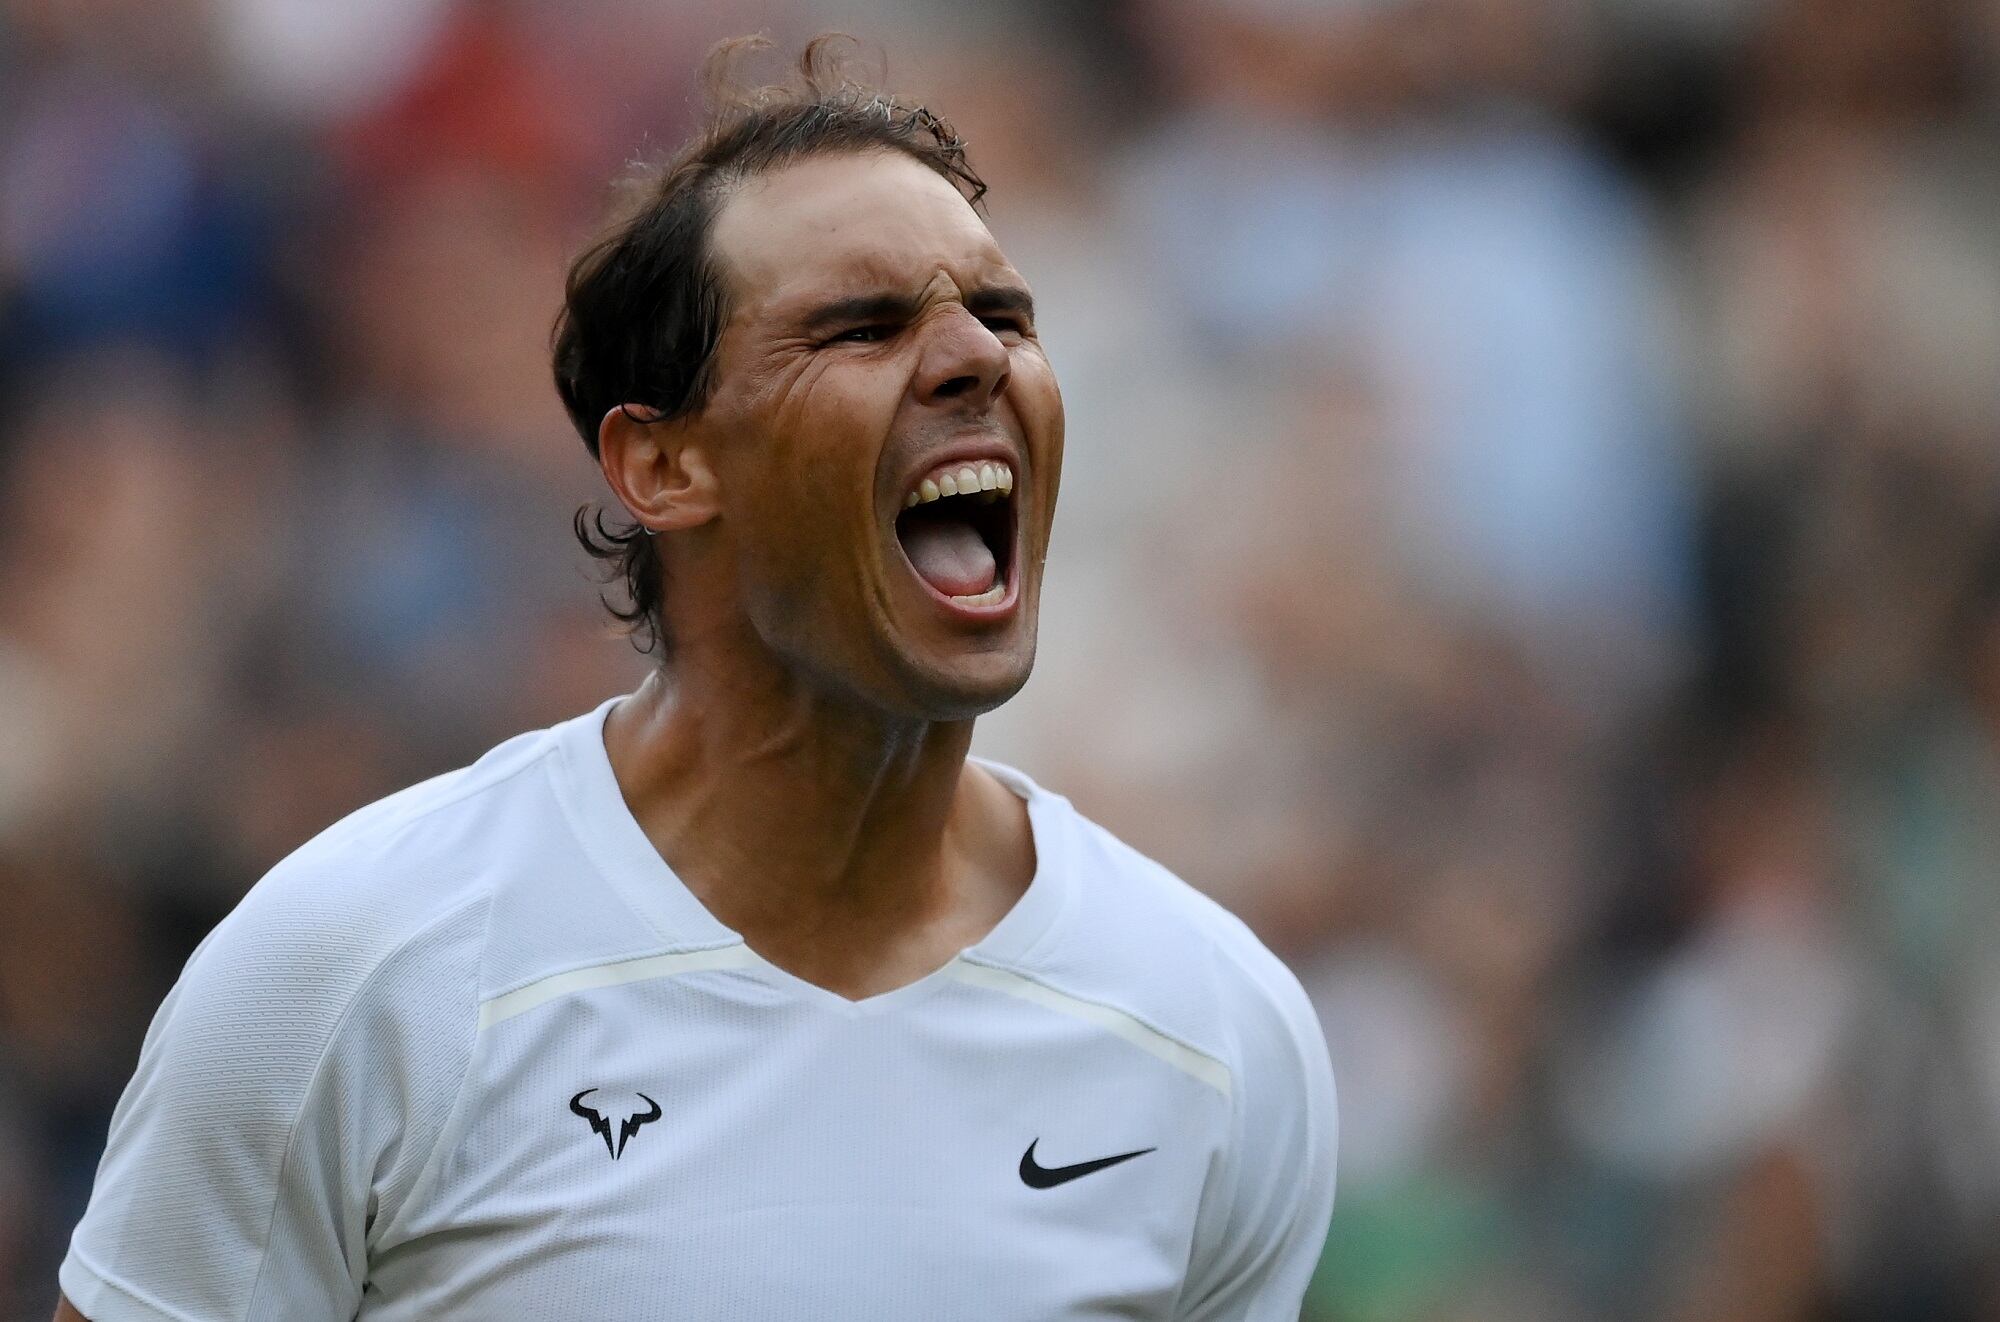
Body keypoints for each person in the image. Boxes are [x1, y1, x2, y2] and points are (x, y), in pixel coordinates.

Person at [54, 37, 1336, 1321]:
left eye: (1004, 317)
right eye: (862, 326)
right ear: (661, 468)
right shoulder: (351, 972)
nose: (975, 359)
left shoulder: (1215, 1029)